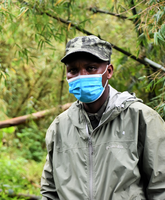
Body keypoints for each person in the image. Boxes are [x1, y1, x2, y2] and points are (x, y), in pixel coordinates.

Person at [40, 35, 165, 200]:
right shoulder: (60, 127)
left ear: (109, 71)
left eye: (91, 68)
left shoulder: (141, 118)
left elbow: (160, 187)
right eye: (73, 70)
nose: (81, 75)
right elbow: (50, 191)